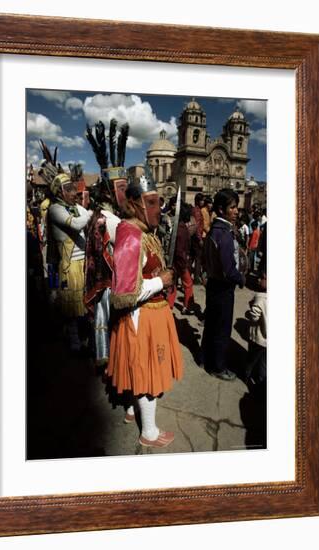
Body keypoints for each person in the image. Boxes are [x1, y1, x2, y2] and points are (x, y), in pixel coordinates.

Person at [106, 170, 183, 448]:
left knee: (138, 367)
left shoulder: (144, 231)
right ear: (136, 204)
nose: (158, 208)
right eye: (151, 203)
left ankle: (130, 410)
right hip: (143, 314)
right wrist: (159, 281)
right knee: (147, 372)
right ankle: (148, 432)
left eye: (157, 202)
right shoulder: (131, 236)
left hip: (154, 311)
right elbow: (125, 293)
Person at [38, 141, 93, 354]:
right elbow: (80, 222)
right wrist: (88, 213)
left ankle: (78, 337)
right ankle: (74, 343)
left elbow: (82, 210)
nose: (74, 192)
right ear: (59, 193)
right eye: (68, 189)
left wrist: (85, 210)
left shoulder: (72, 206)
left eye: (73, 188)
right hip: (69, 267)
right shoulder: (54, 210)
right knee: (71, 309)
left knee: (80, 305)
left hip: (80, 264)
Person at [84, 119, 127, 367]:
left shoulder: (97, 215)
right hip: (110, 282)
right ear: (112, 193)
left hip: (99, 281)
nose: (125, 194)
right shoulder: (112, 221)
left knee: (101, 318)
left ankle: (102, 355)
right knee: (111, 322)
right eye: (120, 189)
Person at [201, 188, 245, 381]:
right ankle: (218, 366)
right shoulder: (224, 234)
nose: (236, 211)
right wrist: (241, 279)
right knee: (222, 329)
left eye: (236, 207)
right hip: (223, 288)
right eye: (233, 207)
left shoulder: (214, 231)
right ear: (221, 209)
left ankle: (204, 358)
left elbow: (205, 259)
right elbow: (228, 269)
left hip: (212, 284)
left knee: (211, 324)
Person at [167, 203, 196, 314]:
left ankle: (169, 305)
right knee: (188, 284)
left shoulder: (178, 227)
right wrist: (184, 265)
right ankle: (187, 306)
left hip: (175, 261)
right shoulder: (182, 229)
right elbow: (180, 250)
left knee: (173, 285)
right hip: (181, 262)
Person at [245, 273, 267, 389]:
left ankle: (246, 376)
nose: (259, 279)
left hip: (257, 338)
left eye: (263, 278)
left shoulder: (261, 298)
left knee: (251, 360)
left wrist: (248, 312)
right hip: (267, 341)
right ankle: (261, 383)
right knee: (263, 364)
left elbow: (254, 316)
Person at [191, 192, 205, 283]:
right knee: (198, 258)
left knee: (192, 258)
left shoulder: (196, 210)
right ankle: (196, 278)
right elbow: (196, 226)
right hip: (196, 238)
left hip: (194, 237)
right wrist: (199, 239)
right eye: (202, 200)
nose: (203, 202)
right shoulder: (196, 211)